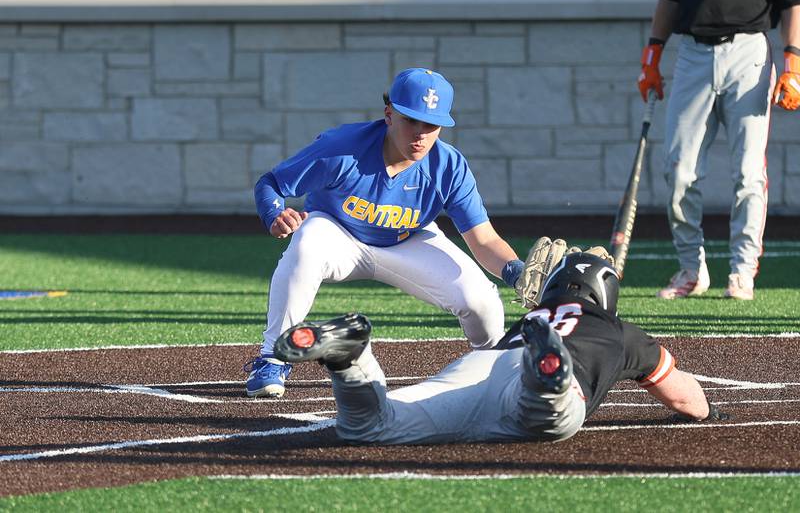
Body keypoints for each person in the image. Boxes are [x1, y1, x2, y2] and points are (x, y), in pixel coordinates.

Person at [245, 68, 529, 398]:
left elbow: (484, 240)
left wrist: (515, 272)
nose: (421, 134)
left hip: (407, 241)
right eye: (412, 120)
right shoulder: (342, 148)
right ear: (389, 114)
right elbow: (272, 183)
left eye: (432, 124)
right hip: (337, 234)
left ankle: (490, 366)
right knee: (306, 243)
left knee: (480, 300)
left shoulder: (448, 166)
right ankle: (272, 359)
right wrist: (274, 214)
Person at [273, 252, 730, 445]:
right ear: (604, 297)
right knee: (545, 418)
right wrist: (707, 411)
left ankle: (351, 359)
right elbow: (685, 398)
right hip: (537, 373)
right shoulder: (623, 333)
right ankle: (548, 374)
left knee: (370, 426)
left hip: (483, 363)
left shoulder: (528, 318)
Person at [638, 0, 800, 301]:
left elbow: (793, 1)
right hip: (692, 53)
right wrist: (651, 55)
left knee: (748, 171)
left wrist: (793, 65)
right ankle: (691, 269)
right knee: (678, 169)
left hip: (749, 51)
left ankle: (742, 270)